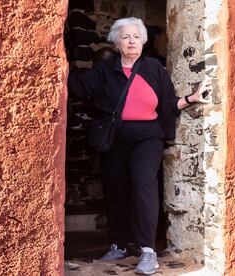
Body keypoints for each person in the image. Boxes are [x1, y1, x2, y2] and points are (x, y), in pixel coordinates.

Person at [68, 17, 212, 275]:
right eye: (125, 37)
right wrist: (56, 68)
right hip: (115, 136)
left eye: (136, 36)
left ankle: (147, 250)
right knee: (115, 187)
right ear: (116, 42)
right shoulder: (106, 69)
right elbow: (79, 87)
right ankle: (118, 244)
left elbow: (168, 103)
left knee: (144, 183)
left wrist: (191, 98)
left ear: (143, 41)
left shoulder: (153, 68)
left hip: (148, 135)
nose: (131, 40)